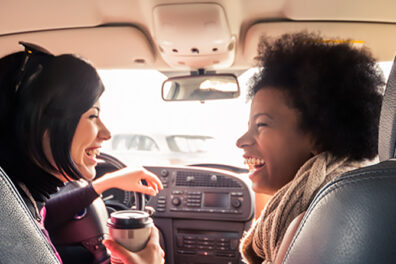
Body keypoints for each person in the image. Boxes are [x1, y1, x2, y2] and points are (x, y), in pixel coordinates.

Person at [0, 42, 164, 264]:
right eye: (93, 116)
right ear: (40, 124)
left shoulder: (16, 201)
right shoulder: (11, 231)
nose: (106, 133)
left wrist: (104, 183)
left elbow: (42, 213)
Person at [236, 32, 384, 264]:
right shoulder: (353, 189)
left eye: (261, 124)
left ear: (318, 136)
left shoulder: (305, 224)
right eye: (249, 126)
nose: (241, 140)